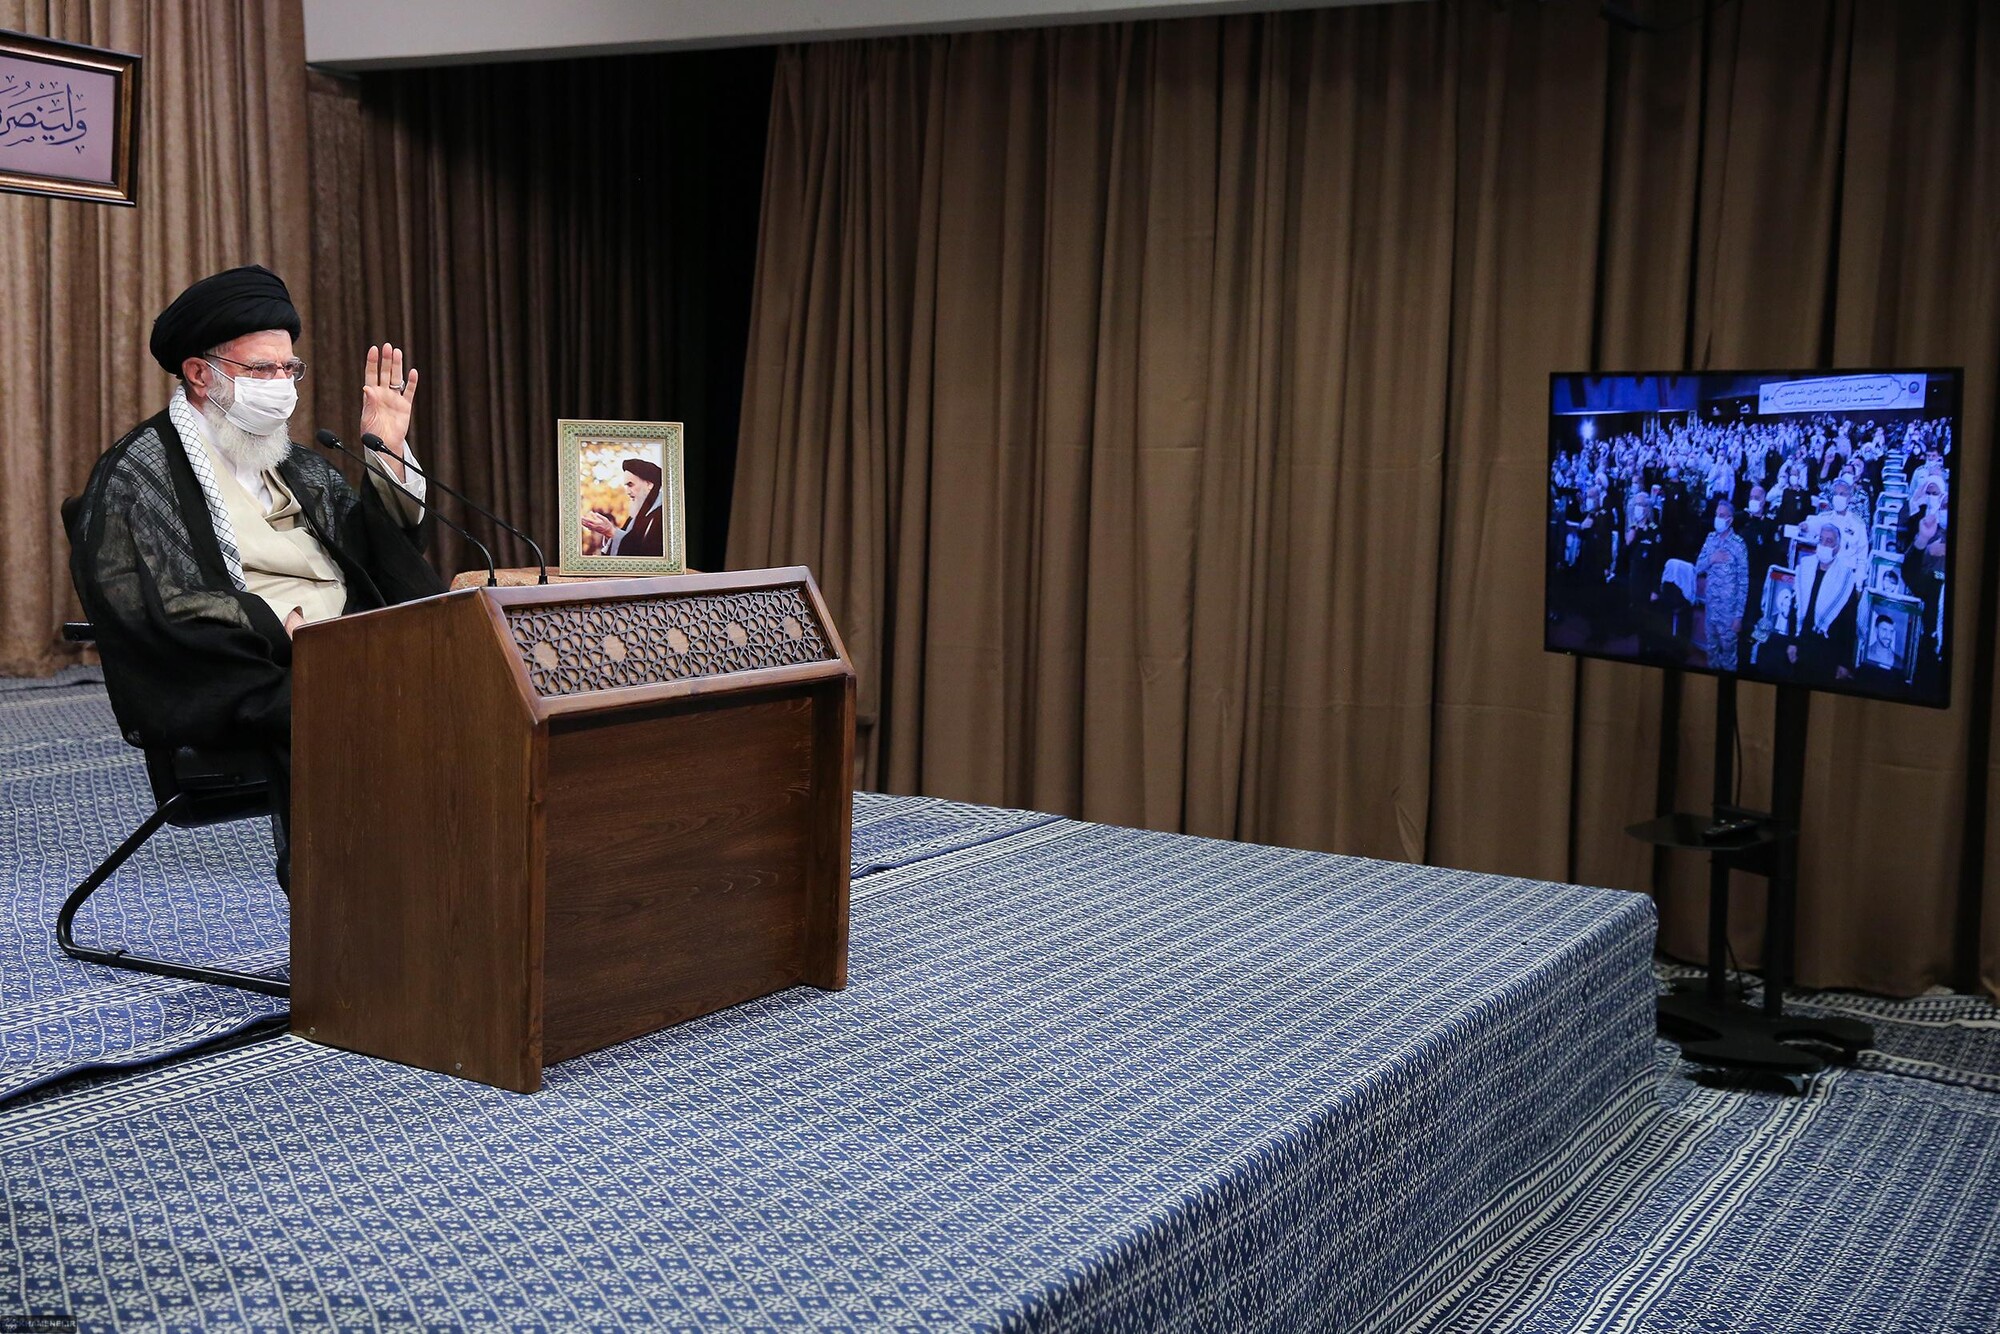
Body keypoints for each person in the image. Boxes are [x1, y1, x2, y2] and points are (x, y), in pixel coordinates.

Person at [68, 265, 445, 865]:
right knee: (383, 709)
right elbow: (156, 602)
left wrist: (388, 450)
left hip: (356, 645)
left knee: (473, 683)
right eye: (261, 370)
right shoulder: (139, 474)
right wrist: (275, 631)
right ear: (200, 374)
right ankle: (356, 895)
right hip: (262, 669)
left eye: (288, 369)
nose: (281, 385)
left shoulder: (295, 462)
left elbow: (380, 553)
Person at [1785, 523, 1860, 680]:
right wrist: (1792, 641)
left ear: (1837, 548)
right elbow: (1794, 607)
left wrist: (1844, 662)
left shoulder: (1845, 578)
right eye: (1821, 540)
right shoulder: (1805, 567)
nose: (1824, 545)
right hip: (1802, 643)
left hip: (1827, 650)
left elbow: (1849, 624)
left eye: (1829, 541)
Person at [1694, 499, 1749, 671]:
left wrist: (1738, 617)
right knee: (1711, 652)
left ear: (1730, 520)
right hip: (1711, 608)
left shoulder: (1739, 545)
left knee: (1728, 658)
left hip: (1729, 612)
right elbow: (1698, 567)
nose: (1718, 518)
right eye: (1717, 514)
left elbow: (1743, 583)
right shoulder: (1710, 539)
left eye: (1722, 515)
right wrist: (1712, 559)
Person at [580, 458, 666, 557]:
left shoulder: (664, 515)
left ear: (649, 484)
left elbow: (648, 555)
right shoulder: (633, 519)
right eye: (626, 486)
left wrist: (611, 531)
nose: (627, 492)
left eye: (631, 485)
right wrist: (607, 533)